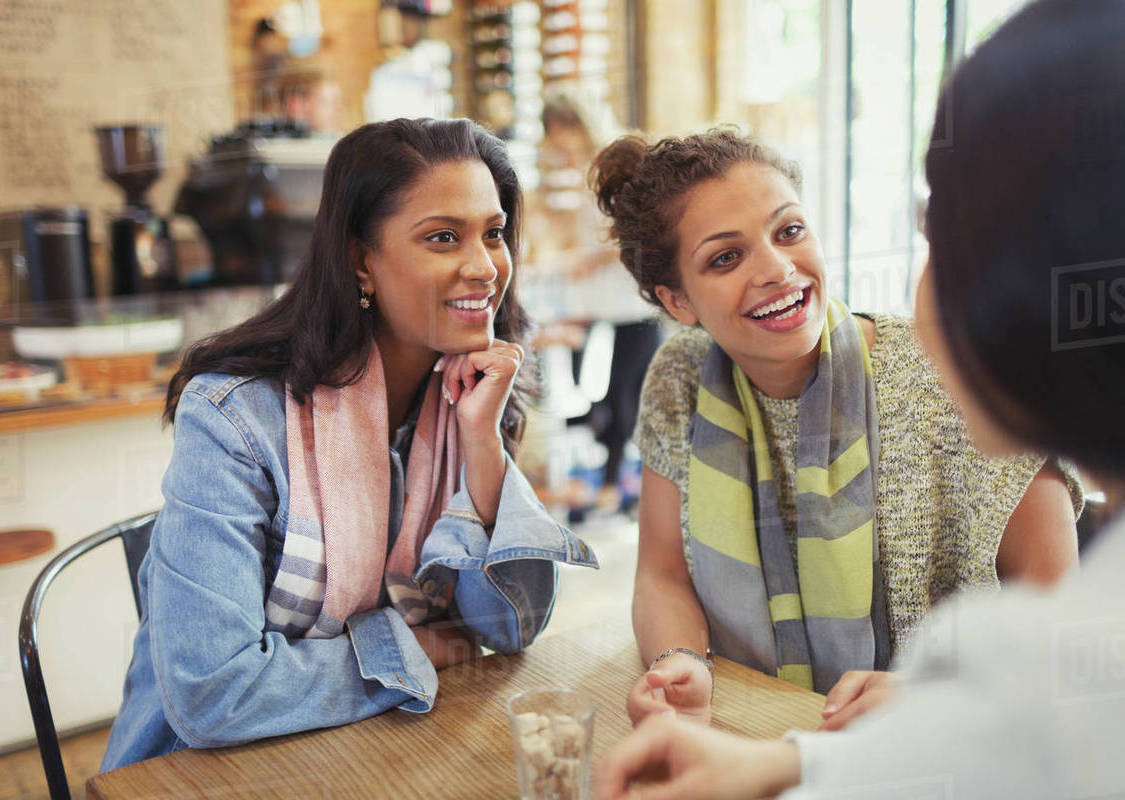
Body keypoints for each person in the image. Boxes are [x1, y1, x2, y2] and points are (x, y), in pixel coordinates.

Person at [595, 0, 1125, 796]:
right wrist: (696, 681)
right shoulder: (681, 377)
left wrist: (926, 705)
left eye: (790, 229)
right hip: (792, 726)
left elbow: (1060, 661)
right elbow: (663, 573)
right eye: (727, 256)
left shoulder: (944, 383)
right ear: (676, 302)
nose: (776, 269)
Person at [100, 118, 597, 771]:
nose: (484, 267)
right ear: (360, 258)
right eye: (443, 237)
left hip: (378, 746)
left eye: (494, 233)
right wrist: (417, 647)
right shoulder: (234, 419)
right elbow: (213, 697)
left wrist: (482, 443)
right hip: (196, 773)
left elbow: (508, 631)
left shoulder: (468, 391)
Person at [523, 92, 660, 516]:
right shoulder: (572, 169)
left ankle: (614, 483)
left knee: (622, 397)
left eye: (561, 132)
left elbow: (633, 233)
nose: (558, 142)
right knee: (586, 394)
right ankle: (595, 476)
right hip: (593, 301)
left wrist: (587, 259)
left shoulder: (617, 164)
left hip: (627, 303)